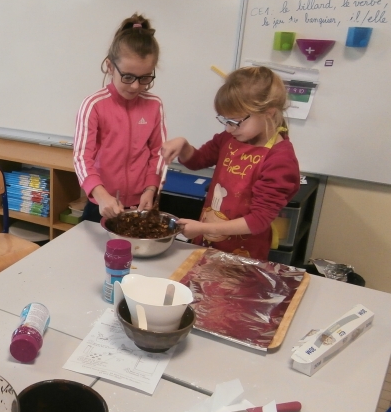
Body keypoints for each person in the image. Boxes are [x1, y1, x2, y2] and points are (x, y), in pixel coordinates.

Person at [160, 66, 300, 260]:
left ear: (268, 113)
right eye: (225, 120)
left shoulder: (280, 160)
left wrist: (204, 228)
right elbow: (198, 160)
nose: (228, 128)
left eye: (235, 121)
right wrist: (183, 146)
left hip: (243, 254)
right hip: (208, 241)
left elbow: (258, 220)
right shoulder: (229, 138)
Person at [74, 13, 167, 223]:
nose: (135, 86)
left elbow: (158, 152)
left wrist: (151, 188)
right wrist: (101, 195)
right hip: (102, 203)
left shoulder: (154, 105)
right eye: (127, 76)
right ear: (110, 66)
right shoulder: (93, 105)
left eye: (145, 78)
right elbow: (81, 158)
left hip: (140, 203)